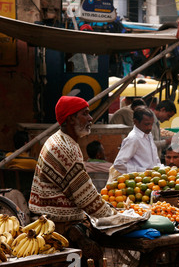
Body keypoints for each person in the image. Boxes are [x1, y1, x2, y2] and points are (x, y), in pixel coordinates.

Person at [29, 95, 116, 234]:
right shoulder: (65, 148)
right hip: (59, 225)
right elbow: (85, 196)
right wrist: (114, 216)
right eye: (85, 114)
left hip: (50, 218)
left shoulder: (60, 140)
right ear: (70, 119)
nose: (90, 118)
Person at [113, 107, 162, 175]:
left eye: (151, 124)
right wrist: (142, 170)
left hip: (152, 179)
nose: (150, 128)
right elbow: (119, 164)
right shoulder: (133, 138)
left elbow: (155, 160)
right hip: (139, 181)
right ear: (135, 122)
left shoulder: (148, 135)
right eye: (147, 124)